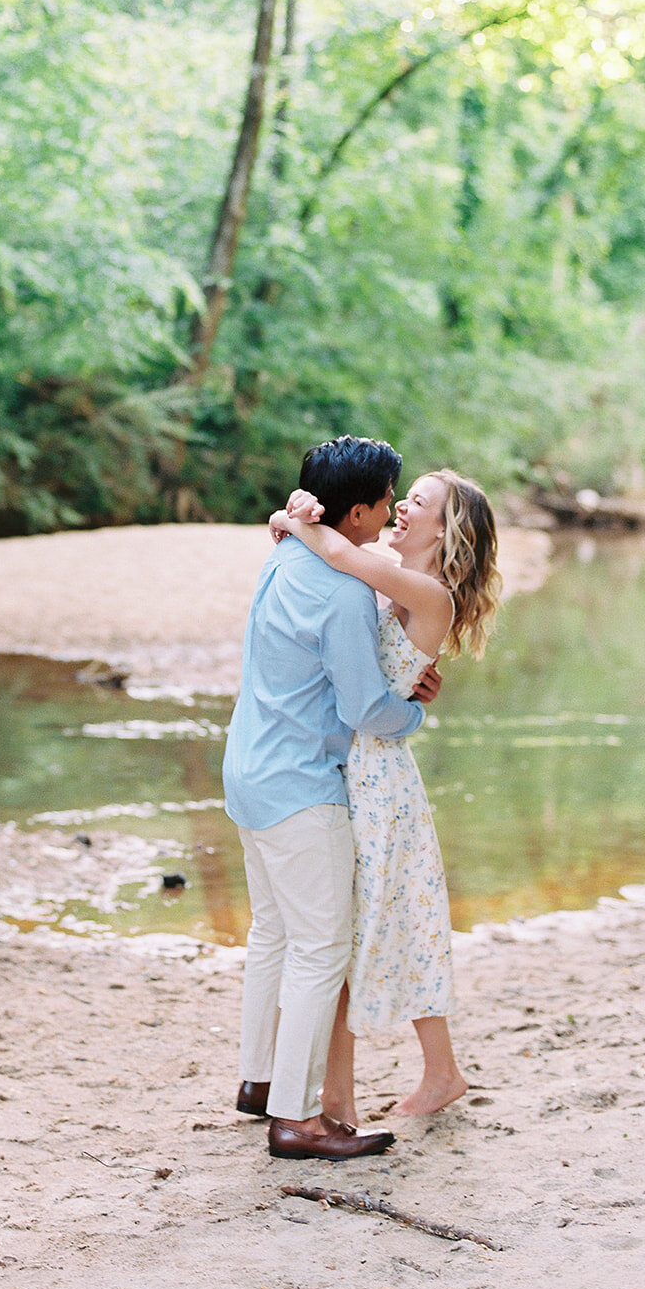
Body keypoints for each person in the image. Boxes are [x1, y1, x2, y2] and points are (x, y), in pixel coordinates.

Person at [222, 435, 441, 1161]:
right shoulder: (343, 589)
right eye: (384, 503)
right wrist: (412, 710)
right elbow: (364, 710)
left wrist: (293, 517)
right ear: (356, 514)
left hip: (247, 770)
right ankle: (295, 1118)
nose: (388, 512)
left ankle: (259, 1081)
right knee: (319, 951)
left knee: (273, 934)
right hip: (299, 788)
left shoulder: (284, 552)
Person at [268, 467, 501, 1125]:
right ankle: (435, 1072)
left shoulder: (425, 593)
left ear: (444, 529)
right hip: (358, 768)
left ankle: (373, 1090)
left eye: (417, 504)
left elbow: (336, 551)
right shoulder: (387, 581)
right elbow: (336, 569)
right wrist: (295, 521)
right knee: (387, 924)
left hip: (377, 781)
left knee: (371, 927)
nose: (401, 510)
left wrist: (292, 523)